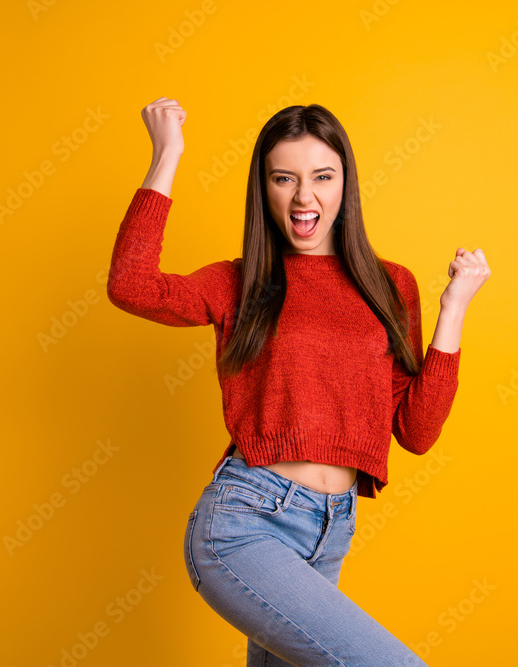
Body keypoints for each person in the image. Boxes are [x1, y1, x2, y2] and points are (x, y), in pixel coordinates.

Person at [106, 97, 490, 666]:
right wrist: (168, 154)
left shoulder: (390, 286)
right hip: (245, 523)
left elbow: (417, 430)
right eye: (284, 178)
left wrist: (453, 310)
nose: (304, 197)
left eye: (322, 177)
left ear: (345, 185)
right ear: (264, 189)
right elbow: (131, 285)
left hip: (332, 531)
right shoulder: (241, 282)